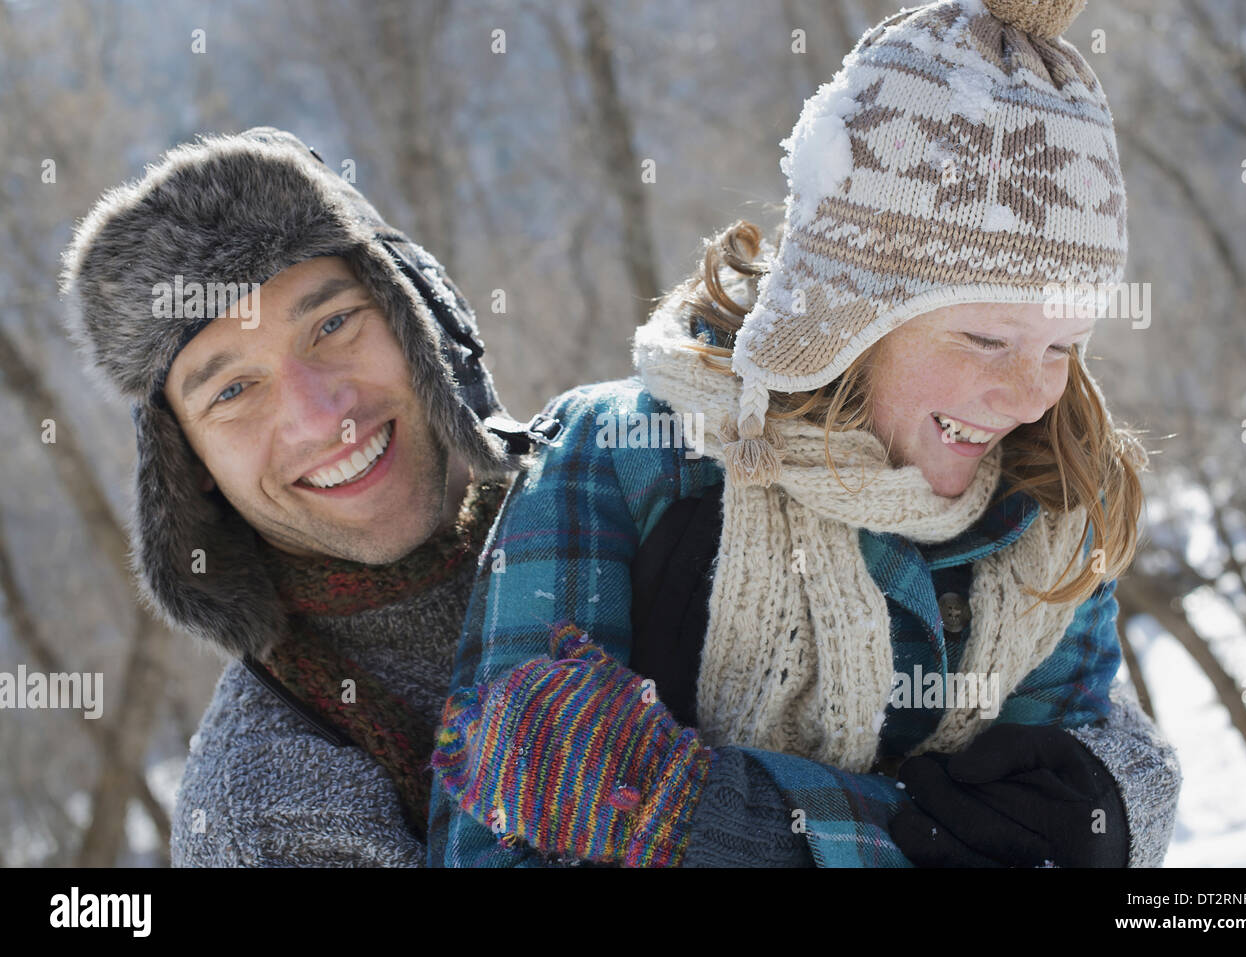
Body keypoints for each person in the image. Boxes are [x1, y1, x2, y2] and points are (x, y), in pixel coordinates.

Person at [432, 0, 1182, 867]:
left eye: (1064, 345)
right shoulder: (624, 461)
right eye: (985, 337)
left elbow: (1047, 837)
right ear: (847, 313)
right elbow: (501, 822)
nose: (1028, 396)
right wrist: (896, 833)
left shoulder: (1051, 512)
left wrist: (717, 816)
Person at [59, 126, 560, 865]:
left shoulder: (621, 502)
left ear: (417, 320)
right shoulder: (264, 808)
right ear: (191, 465)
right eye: (233, 390)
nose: (323, 417)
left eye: (332, 324)